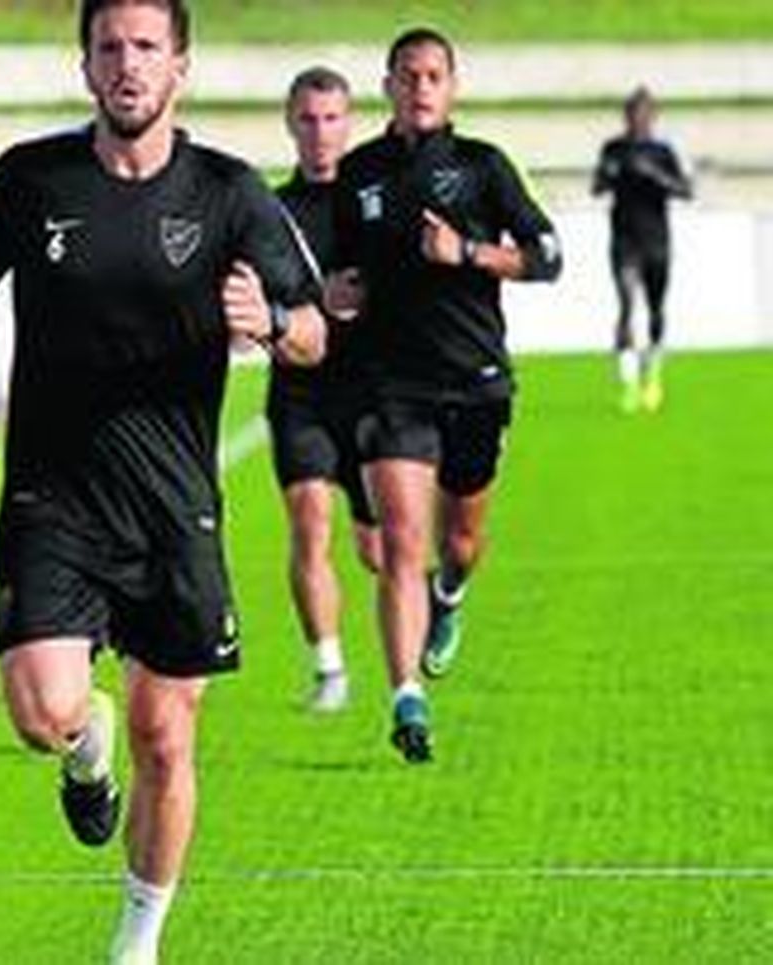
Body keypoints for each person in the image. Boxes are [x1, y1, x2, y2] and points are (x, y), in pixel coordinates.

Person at [0, 2, 325, 961]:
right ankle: (81, 744)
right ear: (85, 67)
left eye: (146, 47)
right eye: (109, 47)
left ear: (180, 67)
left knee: (168, 734)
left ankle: (136, 944)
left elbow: (317, 329)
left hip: (173, 505)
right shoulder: (31, 178)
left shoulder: (231, 193)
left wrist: (269, 326)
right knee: (43, 711)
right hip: (52, 495)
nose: (128, 64)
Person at [331, 28, 562, 763]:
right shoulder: (359, 173)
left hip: (475, 381)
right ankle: (407, 698)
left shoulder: (483, 167)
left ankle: (452, 596)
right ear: (388, 85)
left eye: (434, 75)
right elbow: (333, 271)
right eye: (408, 75)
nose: (421, 87)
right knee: (402, 540)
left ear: (451, 86)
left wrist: (466, 253)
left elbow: (548, 257)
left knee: (459, 543)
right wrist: (332, 292)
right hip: (392, 384)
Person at [269, 66, 382, 713]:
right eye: (308, 119)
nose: (320, 133)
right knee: (309, 523)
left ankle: (422, 613)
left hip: (370, 394)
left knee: (378, 548)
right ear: (291, 124)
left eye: (332, 118)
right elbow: (260, 292)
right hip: (300, 393)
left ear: (349, 121)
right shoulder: (272, 210)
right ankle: (330, 669)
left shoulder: (373, 199)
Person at [593, 86, 692, 413]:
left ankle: (653, 377)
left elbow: (685, 189)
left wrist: (655, 176)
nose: (638, 119)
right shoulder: (614, 148)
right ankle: (629, 385)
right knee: (624, 305)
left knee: (656, 310)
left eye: (644, 114)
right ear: (625, 116)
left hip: (657, 241)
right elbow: (597, 187)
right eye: (632, 113)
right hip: (624, 240)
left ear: (653, 117)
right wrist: (609, 174)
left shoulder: (662, 151)